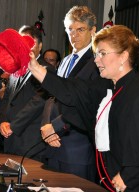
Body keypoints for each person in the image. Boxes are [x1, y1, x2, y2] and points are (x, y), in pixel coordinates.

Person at [28, 25, 139, 191]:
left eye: (102, 54)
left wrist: (128, 176)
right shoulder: (108, 86)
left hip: (133, 184)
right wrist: (36, 68)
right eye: (96, 54)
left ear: (123, 56)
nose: (96, 60)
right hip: (111, 179)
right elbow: (73, 91)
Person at [40, 6, 99, 182]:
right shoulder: (65, 61)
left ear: (93, 30)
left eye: (80, 30)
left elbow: (88, 104)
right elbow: (52, 98)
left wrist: (54, 127)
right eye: (70, 30)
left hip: (77, 149)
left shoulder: (98, 61)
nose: (74, 35)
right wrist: (45, 126)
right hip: (53, 144)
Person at [0, 25, 53, 160]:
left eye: (31, 44)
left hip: (30, 141)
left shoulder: (46, 70)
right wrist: (2, 121)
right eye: (21, 44)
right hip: (10, 138)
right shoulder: (15, 68)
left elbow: (38, 102)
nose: (26, 48)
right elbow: (6, 100)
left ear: (40, 46)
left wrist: (13, 126)